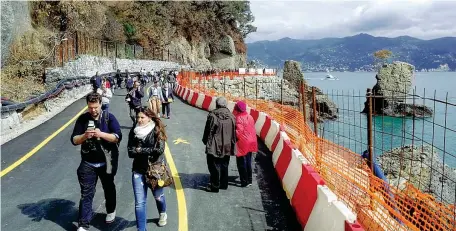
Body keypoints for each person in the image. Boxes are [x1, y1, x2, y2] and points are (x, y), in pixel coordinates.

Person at [70, 92, 122, 231]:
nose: (93, 110)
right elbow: (74, 140)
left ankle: (111, 211)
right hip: (88, 162)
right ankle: (83, 224)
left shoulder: (109, 117)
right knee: (86, 193)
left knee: (109, 188)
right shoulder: (82, 119)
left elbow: (117, 137)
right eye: (90, 107)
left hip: (107, 162)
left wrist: (101, 134)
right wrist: (85, 136)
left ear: (101, 104)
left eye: (96, 107)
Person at [128, 108, 168, 229]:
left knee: (158, 197)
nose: (139, 120)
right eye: (137, 117)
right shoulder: (134, 131)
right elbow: (130, 152)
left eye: (142, 117)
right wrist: (144, 151)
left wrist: (140, 150)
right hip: (138, 170)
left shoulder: (157, 130)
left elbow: (159, 150)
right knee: (140, 204)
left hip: (155, 170)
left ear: (149, 118)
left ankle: (162, 213)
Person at [202, 97, 237, 193]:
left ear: (216, 104)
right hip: (227, 145)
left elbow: (208, 131)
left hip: (214, 145)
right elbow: (235, 131)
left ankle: (215, 186)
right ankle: (224, 184)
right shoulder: (232, 116)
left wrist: (205, 141)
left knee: (213, 165)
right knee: (224, 164)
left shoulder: (212, 116)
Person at [233, 101, 258, 187]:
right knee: (248, 161)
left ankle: (244, 181)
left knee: (240, 162)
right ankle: (250, 180)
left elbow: (238, 132)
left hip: (243, 142)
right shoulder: (250, 116)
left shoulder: (239, 118)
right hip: (251, 141)